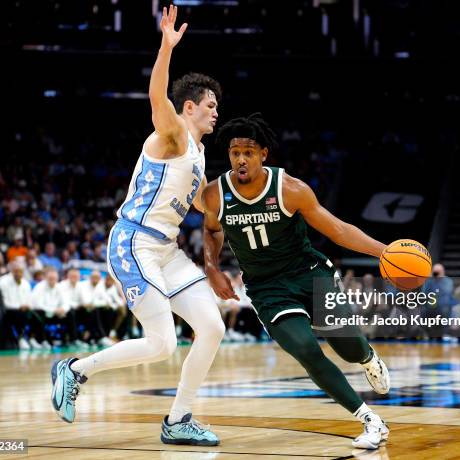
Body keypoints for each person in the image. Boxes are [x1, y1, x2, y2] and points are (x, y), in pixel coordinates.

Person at [50, 5, 224, 446]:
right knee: (162, 342)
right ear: (190, 107)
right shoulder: (173, 134)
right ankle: (74, 370)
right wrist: (166, 49)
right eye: (210, 105)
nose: (215, 112)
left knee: (213, 327)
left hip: (166, 251)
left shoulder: (200, 158)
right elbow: (156, 97)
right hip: (133, 244)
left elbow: (210, 210)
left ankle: (179, 418)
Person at [201, 113, 391, 450]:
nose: (241, 159)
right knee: (304, 349)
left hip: (309, 274)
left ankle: (367, 358)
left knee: (348, 345)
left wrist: (384, 252)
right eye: (234, 153)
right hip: (266, 286)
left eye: (248, 152)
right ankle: (369, 419)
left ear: (263, 155)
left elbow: (338, 230)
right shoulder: (216, 194)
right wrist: (211, 266)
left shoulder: (290, 189)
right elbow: (212, 230)